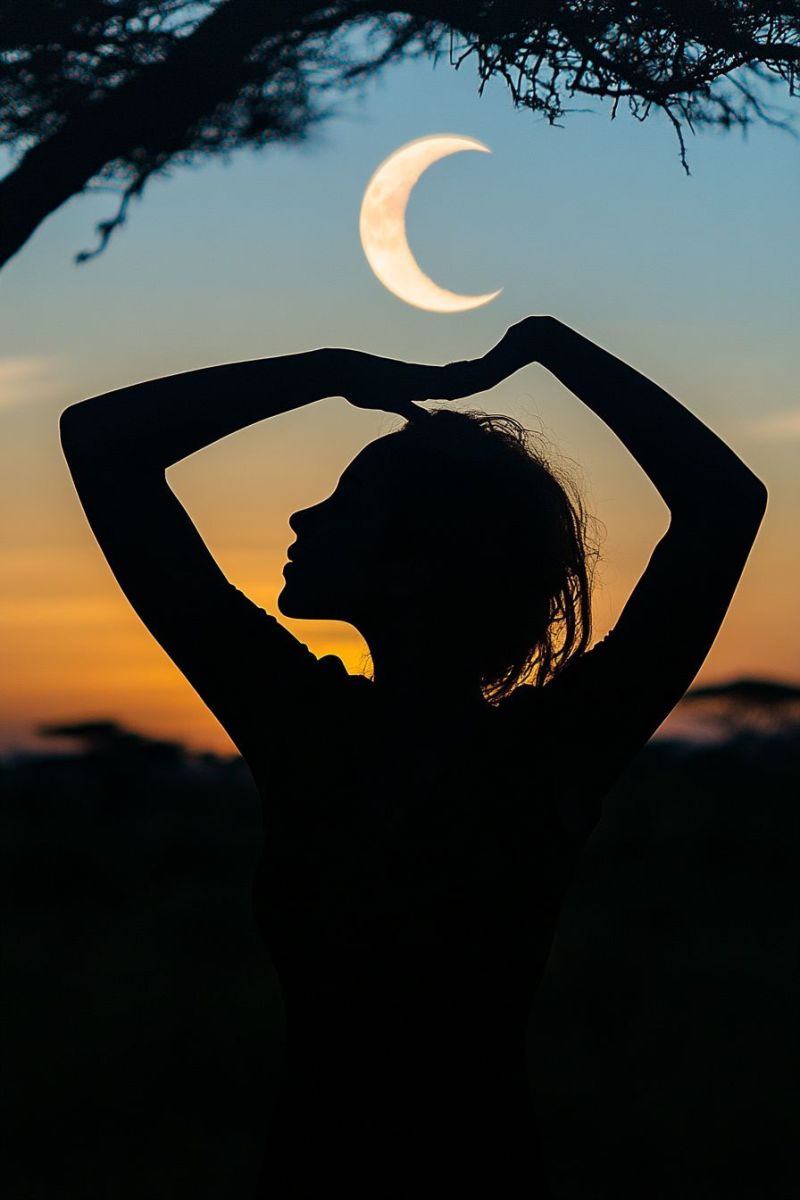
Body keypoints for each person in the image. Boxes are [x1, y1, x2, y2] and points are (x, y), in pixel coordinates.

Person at [59, 317, 767, 1198]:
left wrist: (346, 369)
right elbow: (94, 443)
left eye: (347, 502)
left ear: (422, 558)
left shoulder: (312, 730)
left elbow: (104, 448)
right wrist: (352, 365)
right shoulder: (541, 749)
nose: (301, 513)